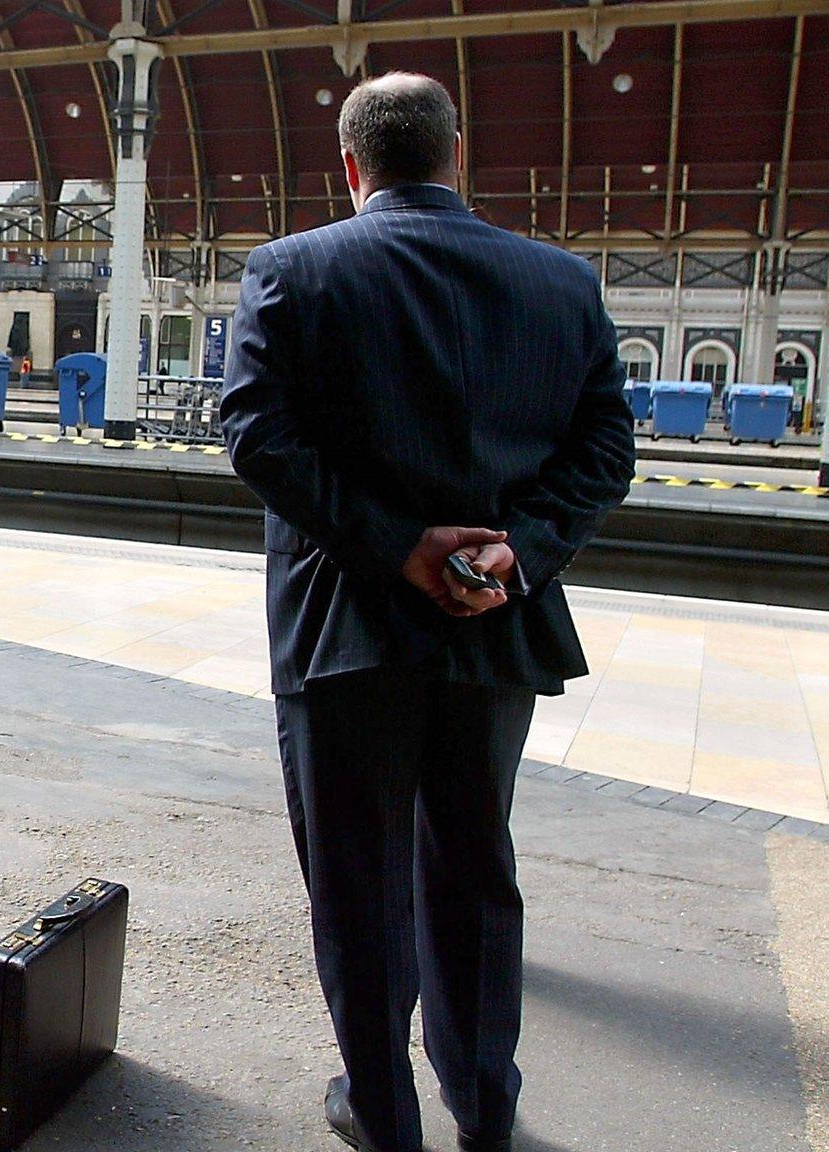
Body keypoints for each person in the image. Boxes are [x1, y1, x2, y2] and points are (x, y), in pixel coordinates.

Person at [218, 73, 636, 1152]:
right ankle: (484, 1107)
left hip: (345, 630)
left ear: (348, 166)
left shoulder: (292, 270)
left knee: (357, 881)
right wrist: (515, 550)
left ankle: (380, 1111)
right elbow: (603, 452)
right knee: (473, 872)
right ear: (458, 156)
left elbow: (257, 437)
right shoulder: (559, 281)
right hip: (494, 623)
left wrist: (395, 547)